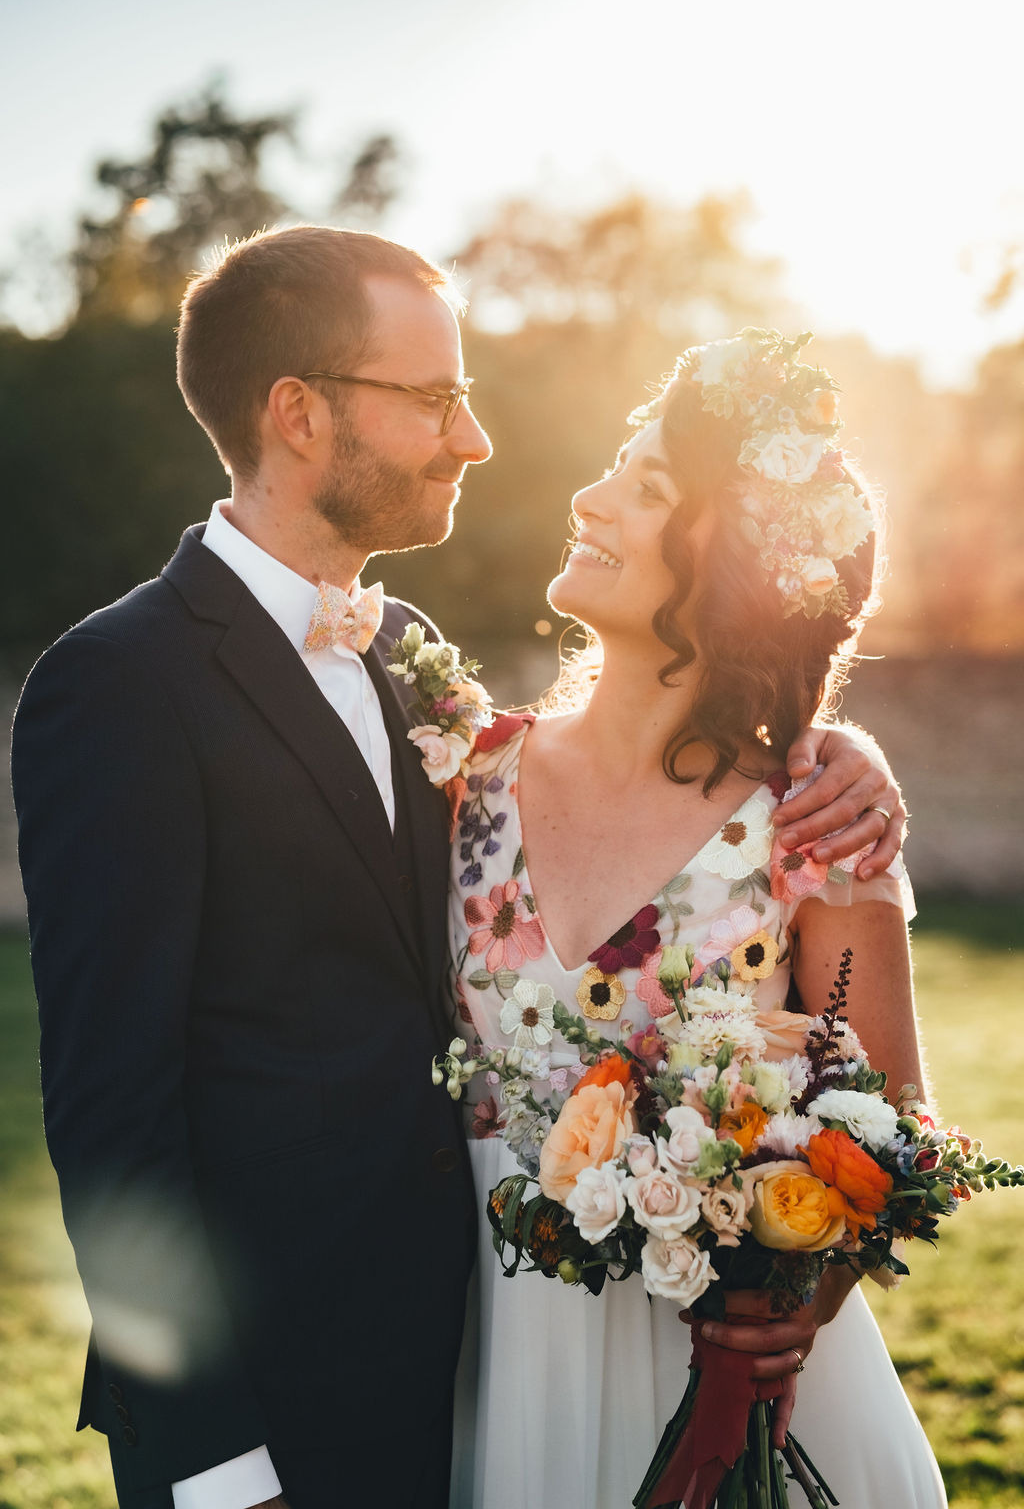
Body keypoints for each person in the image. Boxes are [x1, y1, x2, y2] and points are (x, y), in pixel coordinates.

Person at [12, 232, 903, 1509]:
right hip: (268, 1411)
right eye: (433, 398)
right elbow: (111, 1115)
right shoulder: (115, 686)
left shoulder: (417, 669)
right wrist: (211, 1462)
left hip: (460, 1371)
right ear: (299, 414)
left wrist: (844, 751)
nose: (473, 437)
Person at [446, 331, 946, 1507]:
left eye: (648, 485)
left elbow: (897, 1127)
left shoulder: (818, 826)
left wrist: (782, 1314)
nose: (590, 496)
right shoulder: (457, 779)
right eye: (616, 464)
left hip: (730, 1390)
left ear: (735, 569)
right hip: (497, 1353)